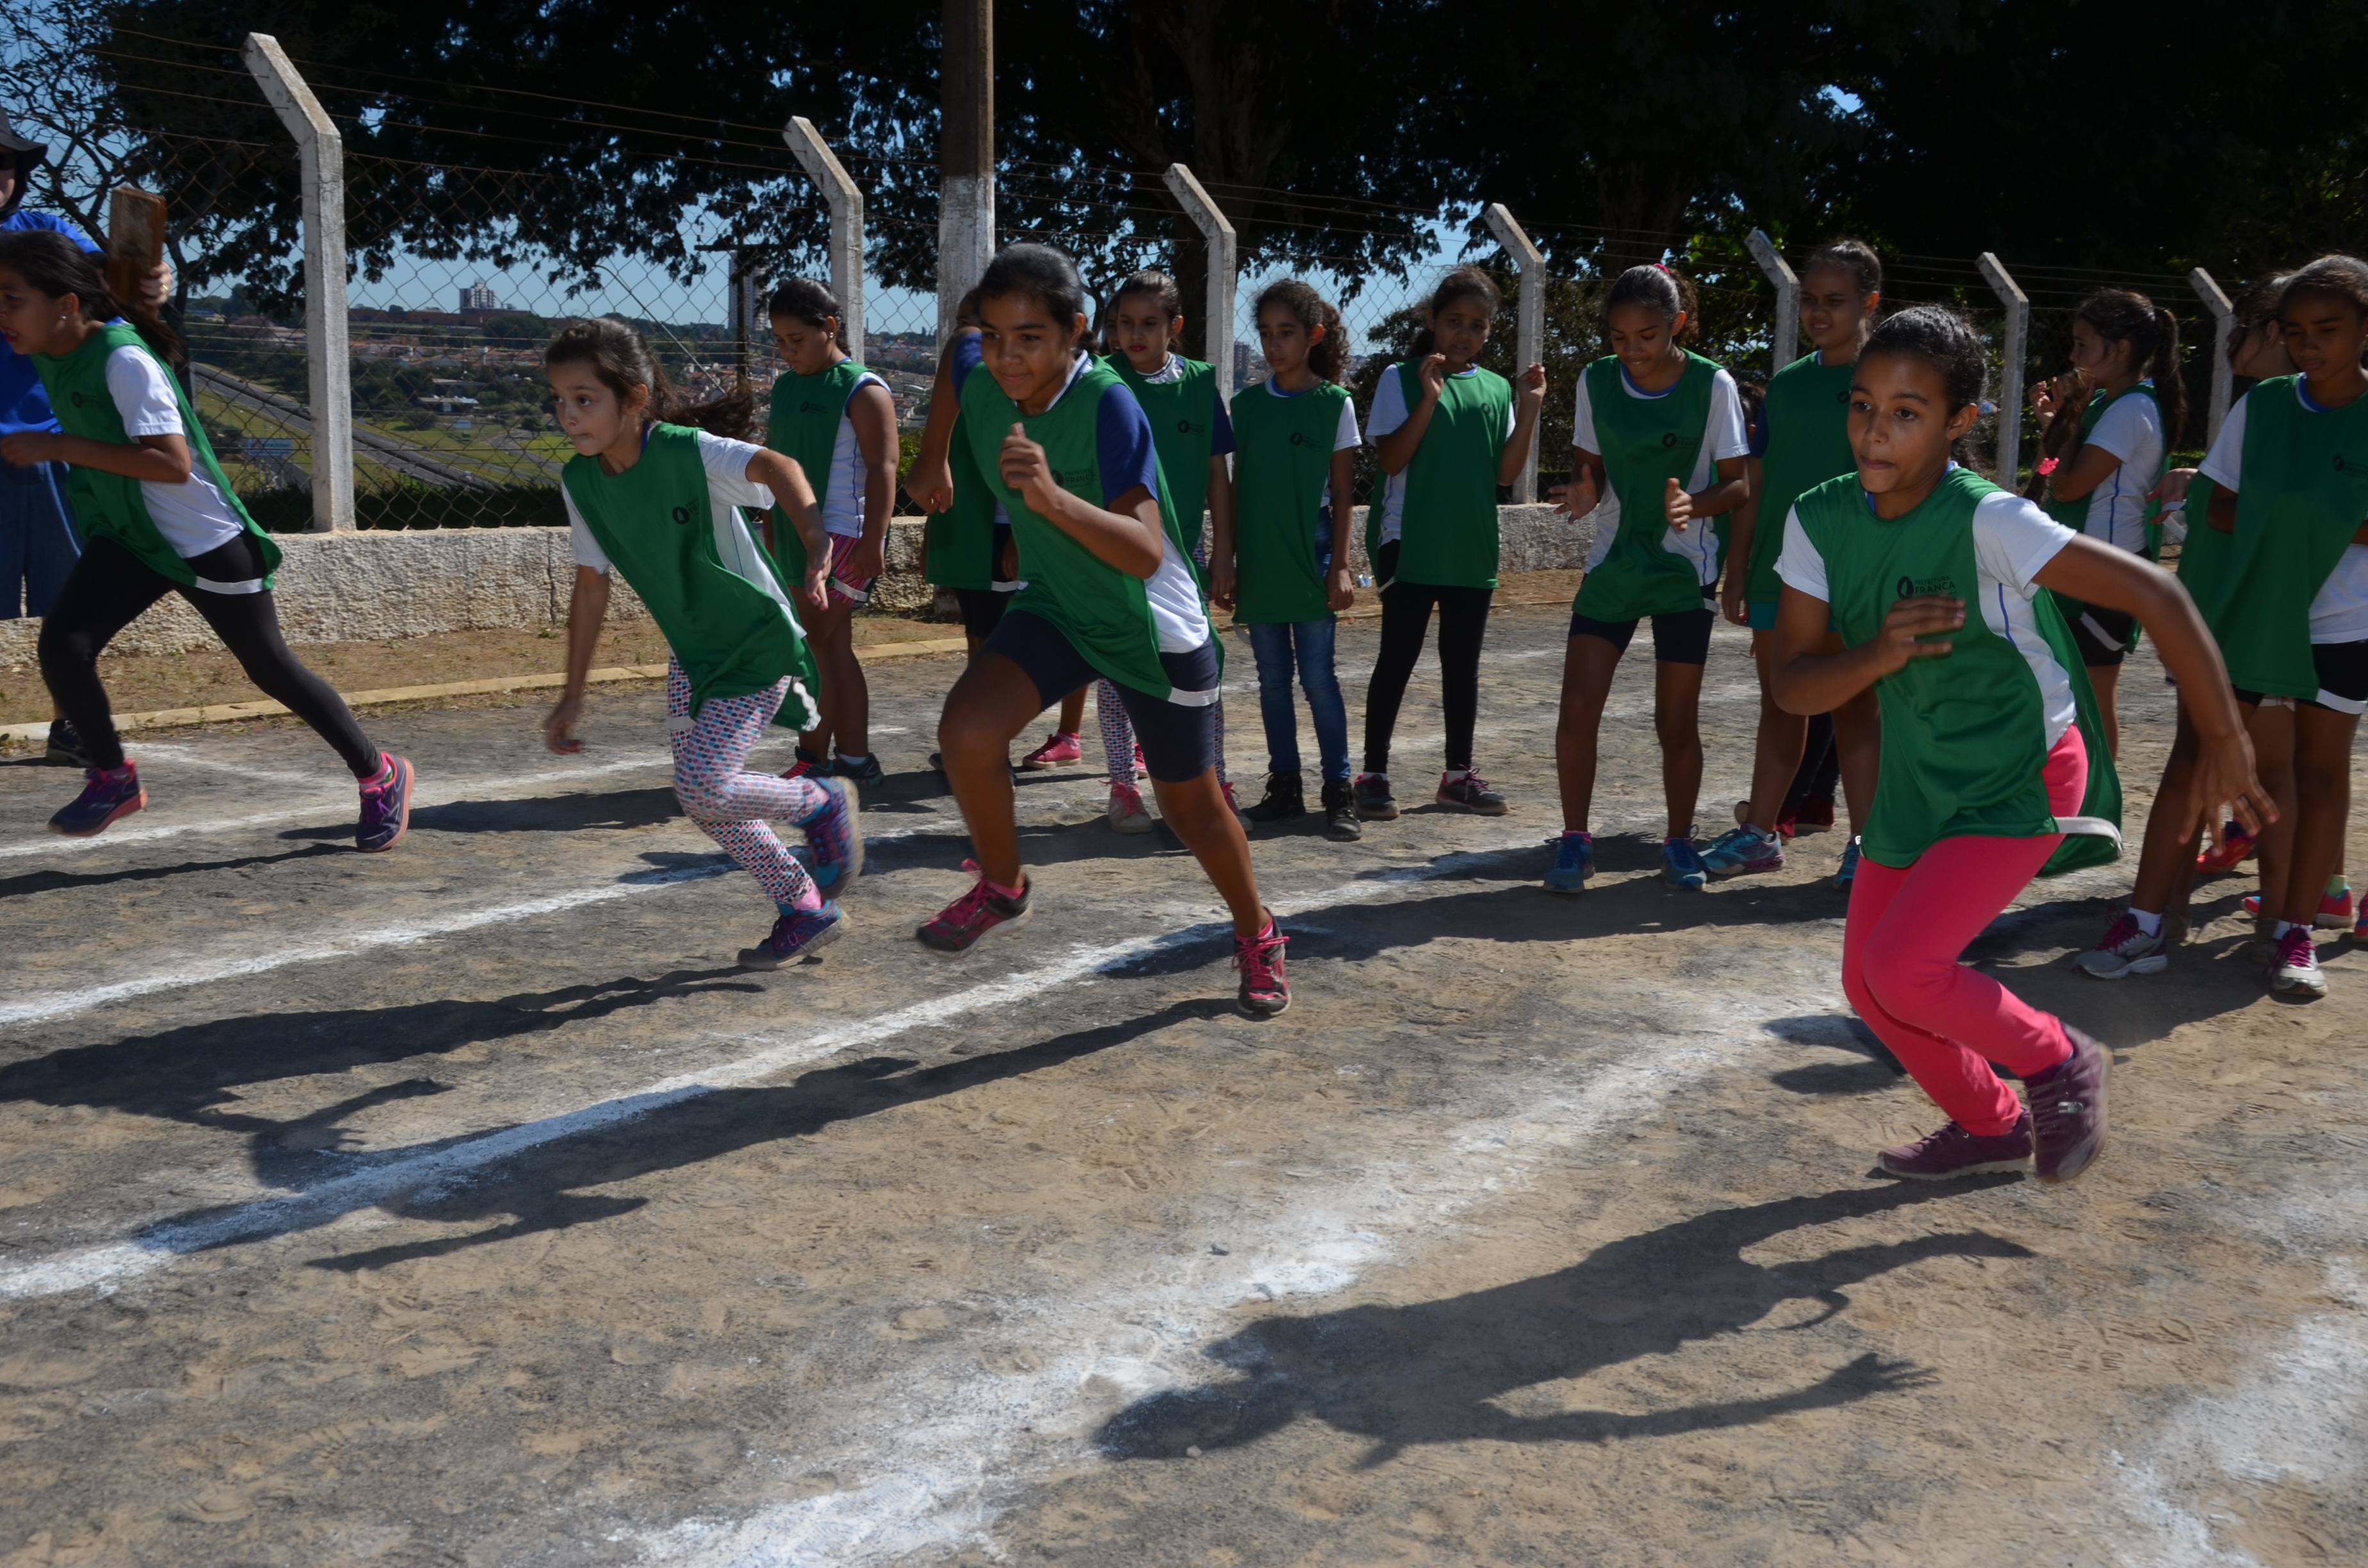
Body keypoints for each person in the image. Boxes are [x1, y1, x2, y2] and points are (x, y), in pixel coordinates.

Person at [1768, 304, 2270, 1181]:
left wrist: (2226, 735)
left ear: (1961, 421)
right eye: (1862, 406)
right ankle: (1989, 1120)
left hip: (2022, 776)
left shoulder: (1992, 521)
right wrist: (1877, 652)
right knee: (1870, 985)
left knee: (1907, 968)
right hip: (1921, 781)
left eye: (1908, 412)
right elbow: (1793, 683)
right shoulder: (1818, 520)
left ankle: (2057, 1058)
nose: (1875, 433)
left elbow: (2160, 595)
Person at [924, 243, 1288, 1017]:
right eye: (995, 335)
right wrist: (935, 458)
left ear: (1075, 333)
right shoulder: (976, 365)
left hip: (1145, 623)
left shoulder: (1109, 403)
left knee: (1188, 810)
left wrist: (1054, 501)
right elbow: (955, 373)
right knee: (967, 733)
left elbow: (1146, 547)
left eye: (1029, 338)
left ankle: (1257, 931)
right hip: (1058, 602)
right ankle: (1004, 883)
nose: (1006, 356)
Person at [0, 230, 414, 847]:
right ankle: (113, 776)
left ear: (64, 305)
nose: (1, 315)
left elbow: (172, 462)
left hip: (202, 539)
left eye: (11, 299)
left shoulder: (122, 358)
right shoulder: (52, 351)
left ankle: (380, 774)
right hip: (132, 536)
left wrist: (53, 446)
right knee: (63, 644)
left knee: (270, 669)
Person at [539, 316, 862, 970]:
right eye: (559, 401)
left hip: (753, 639)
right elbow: (591, 587)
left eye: (584, 399)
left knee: (703, 785)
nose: (568, 416)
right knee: (704, 801)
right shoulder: (582, 482)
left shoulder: (688, 453)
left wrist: (814, 536)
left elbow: (779, 466)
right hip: (693, 652)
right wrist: (572, 695)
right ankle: (804, 906)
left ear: (632, 398)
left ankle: (819, 802)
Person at [2076, 274, 2301, 979]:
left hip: (2253, 613)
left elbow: (2258, 509)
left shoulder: (2295, 409)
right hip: (2217, 606)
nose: (2231, 340)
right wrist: (2200, 479)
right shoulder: (2258, 410)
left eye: (2246, 326)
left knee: (2258, 764)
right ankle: (2166, 911)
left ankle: (2276, 910)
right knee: (2215, 760)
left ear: (2276, 335)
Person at [2169, 257, 2368, 997]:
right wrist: (2320, 512)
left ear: (2365, 331)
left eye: (2329, 330)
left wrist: (2294, 510)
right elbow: (2220, 507)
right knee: (2245, 769)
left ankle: (2296, 934)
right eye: (2296, 332)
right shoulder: (2264, 408)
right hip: (2262, 618)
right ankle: (2172, 913)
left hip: (2346, 625)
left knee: (2320, 777)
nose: (2310, 344)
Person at [1545, 263, 1749, 892]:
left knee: (1675, 720)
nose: (1632, 351)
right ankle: (1575, 841)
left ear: (1678, 325)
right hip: (1614, 563)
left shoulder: (1713, 385)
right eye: (1619, 338)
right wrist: (1583, 493)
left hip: (1683, 569)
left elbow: (1740, 483)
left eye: (1648, 336)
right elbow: (1590, 472)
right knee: (1578, 706)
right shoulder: (1596, 381)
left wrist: (1697, 505)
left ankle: (1680, 841)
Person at [1710, 240, 1886, 888]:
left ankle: (1867, 847)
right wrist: (1740, 566)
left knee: (1855, 708)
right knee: (1782, 704)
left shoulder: (1887, 379)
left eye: (1835, 301)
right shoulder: (1784, 386)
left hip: (1852, 574)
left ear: (1869, 303)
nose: (1819, 312)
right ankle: (1759, 834)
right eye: (1810, 299)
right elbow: (1757, 484)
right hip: (1778, 575)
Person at [0, 112, 170, 766]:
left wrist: (151, 285)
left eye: (6, 163)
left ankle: (71, 723)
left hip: (50, 444)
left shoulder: (44, 236)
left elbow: (116, 286)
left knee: (69, 598)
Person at [1357, 266, 1547, 822]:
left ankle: (1458, 777)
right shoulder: (1401, 377)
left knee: (1461, 666)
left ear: (1491, 332)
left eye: (1478, 326)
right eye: (1454, 322)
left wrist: (1530, 404)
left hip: (1471, 549)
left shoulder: (1493, 389)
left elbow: (1506, 474)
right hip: (1409, 544)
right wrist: (1429, 395)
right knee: (1397, 658)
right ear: (1433, 322)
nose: (1464, 335)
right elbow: (1392, 460)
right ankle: (1373, 775)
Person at [1087, 270, 1241, 825]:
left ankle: (1215, 781)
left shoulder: (1200, 382)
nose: (1135, 334)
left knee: (1203, 674)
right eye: (1124, 323)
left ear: (1174, 327)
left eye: (1149, 324)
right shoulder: (1102, 379)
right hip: (1117, 550)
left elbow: (1216, 475)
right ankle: (1123, 786)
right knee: (1116, 671)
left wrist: (1223, 554)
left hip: (1185, 558)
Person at [1212, 278, 1361, 842]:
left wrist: (1340, 564)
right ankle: (1285, 786)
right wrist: (1225, 559)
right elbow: (1226, 488)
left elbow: (1344, 493)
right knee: (1272, 680)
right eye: (1267, 334)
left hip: (1314, 553)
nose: (1275, 345)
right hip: (1260, 558)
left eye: (1287, 334)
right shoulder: (1245, 407)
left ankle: (1338, 790)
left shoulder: (1334, 404)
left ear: (1314, 336)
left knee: (1318, 679)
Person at [2027, 289, 2183, 758]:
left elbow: (2070, 487)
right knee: (2071, 695)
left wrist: (2064, 424)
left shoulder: (2131, 409)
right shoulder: (2104, 403)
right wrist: (2054, 423)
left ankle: (2102, 806)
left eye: (2081, 345)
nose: (2072, 357)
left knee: (2092, 701)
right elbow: (2049, 473)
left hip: (2110, 572)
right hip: (2086, 568)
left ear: (2119, 350)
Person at [763, 277, 897, 787]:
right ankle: (857, 762)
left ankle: (813, 759)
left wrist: (874, 542)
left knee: (813, 648)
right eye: (779, 341)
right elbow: (775, 466)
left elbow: (885, 467)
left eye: (797, 340)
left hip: (844, 539)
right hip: (795, 537)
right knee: (833, 647)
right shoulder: (784, 388)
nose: (787, 351)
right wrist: (773, 528)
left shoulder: (863, 390)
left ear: (831, 329)